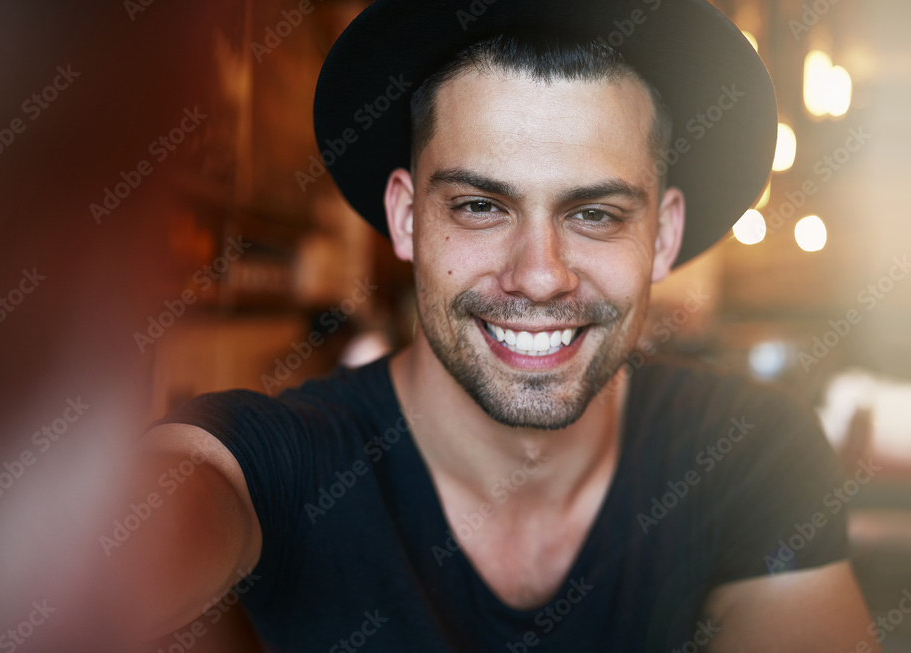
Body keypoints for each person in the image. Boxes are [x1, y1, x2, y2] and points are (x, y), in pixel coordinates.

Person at [112, 1, 878, 650]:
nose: (539, 273)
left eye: (595, 214)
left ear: (663, 237)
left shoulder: (744, 449)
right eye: (480, 206)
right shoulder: (281, 464)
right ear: (408, 218)